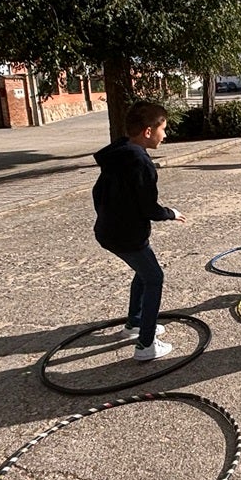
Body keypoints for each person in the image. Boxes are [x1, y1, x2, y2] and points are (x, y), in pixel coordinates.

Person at [91, 101, 187, 361]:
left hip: (109, 231)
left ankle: (135, 323)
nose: (165, 135)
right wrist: (171, 213)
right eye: (162, 129)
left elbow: (97, 193)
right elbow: (149, 207)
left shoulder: (118, 155)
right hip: (127, 235)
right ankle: (146, 345)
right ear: (147, 131)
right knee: (154, 277)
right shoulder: (141, 163)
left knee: (143, 271)